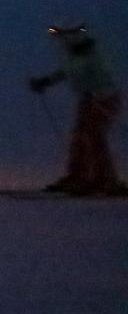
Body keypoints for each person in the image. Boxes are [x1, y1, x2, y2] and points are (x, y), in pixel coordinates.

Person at [29, 23, 125, 196]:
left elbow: (100, 75)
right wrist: (45, 81)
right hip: (89, 99)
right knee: (80, 137)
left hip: (103, 98)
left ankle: (105, 180)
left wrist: (94, 93)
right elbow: (67, 72)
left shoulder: (91, 55)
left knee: (93, 137)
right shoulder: (74, 56)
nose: (61, 42)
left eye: (63, 37)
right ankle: (79, 177)